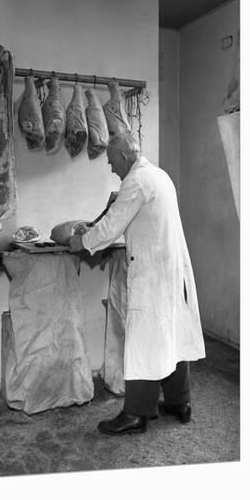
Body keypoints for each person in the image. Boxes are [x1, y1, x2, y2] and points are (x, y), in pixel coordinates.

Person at [69, 132, 206, 435]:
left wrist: (80, 241)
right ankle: (179, 402)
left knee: (144, 341)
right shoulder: (160, 176)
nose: (112, 169)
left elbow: (109, 229)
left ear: (123, 157)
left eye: (111, 163)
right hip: (172, 271)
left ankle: (136, 413)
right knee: (172, 335)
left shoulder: (135, 182)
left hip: (154, 275)